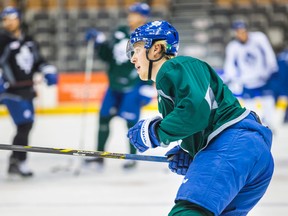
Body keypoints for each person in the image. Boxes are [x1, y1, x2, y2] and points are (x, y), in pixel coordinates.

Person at [126, 20, 274, 215]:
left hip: (233, 144)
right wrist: (191, 149)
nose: (132, 59)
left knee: (189, 212)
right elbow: (203, 116)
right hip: (246, 151)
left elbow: (196, 111)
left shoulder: (174, 67)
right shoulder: (173, 80)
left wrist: (156, 132)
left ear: (156, 49)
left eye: (136, 50)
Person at [84, 2, 155, 170]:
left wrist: (148, 87)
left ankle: (132, 156)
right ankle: (99, 155)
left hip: (133, 86)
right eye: (130, 13)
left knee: (131, 121)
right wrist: (99, 43)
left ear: (143, 17)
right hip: (114, 85)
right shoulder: (120, 32)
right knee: (103, 117)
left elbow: (153, 62)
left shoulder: (149, 37)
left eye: (135, 14)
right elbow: (108, 57)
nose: (130, 17)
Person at [0, 7, 58, 177]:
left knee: (25, 126)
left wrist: (48, 71)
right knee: (24, 124)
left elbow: (39, 61)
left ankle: (15, 160)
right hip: (10, 91)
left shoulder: (30, 40)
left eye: (12, 18)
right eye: (5, 19)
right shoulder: (2, 40)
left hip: (27, 90)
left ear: (19, 19)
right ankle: (20, 162)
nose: (8, 22)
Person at [223, 20, 278, 129]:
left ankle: (271, 126)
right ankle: (256, 126)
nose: (241, 35)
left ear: (247, 30)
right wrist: (236, 79)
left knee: (268, 102)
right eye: (238, 32)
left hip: (263, 79)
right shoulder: (232, 46)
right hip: (247, 82)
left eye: (243, 31)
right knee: (249, 107)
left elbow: (269, 55)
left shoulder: (259, 38)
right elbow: (229, 66)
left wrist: (269, 71)